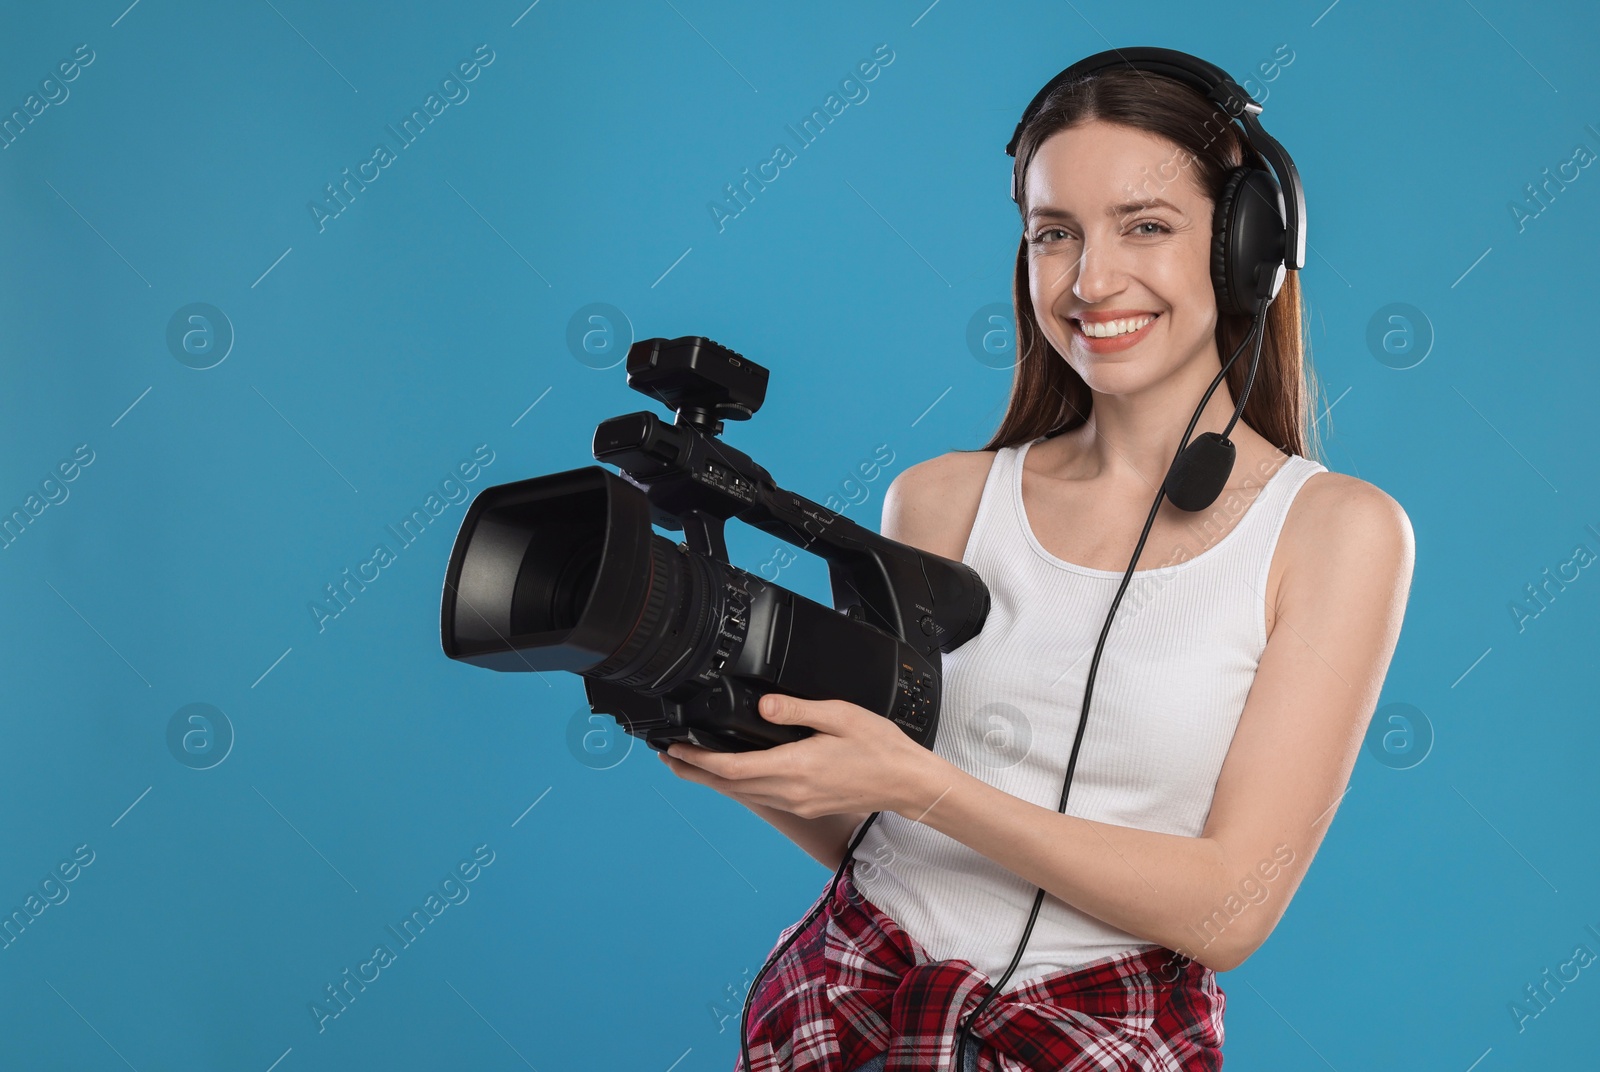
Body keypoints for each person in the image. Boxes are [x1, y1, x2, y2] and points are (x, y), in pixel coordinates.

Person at [659, 61, 1415, 1072]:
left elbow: (1231, 910)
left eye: (1144, 225)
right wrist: (750, 755)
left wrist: (922, 786)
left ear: (1245, 249)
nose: (1090, 280)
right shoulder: (938, 499)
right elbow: (891, 835)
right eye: (1055, 232)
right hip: (850, 1007)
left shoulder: (1336, 532)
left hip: (1097, 1038)